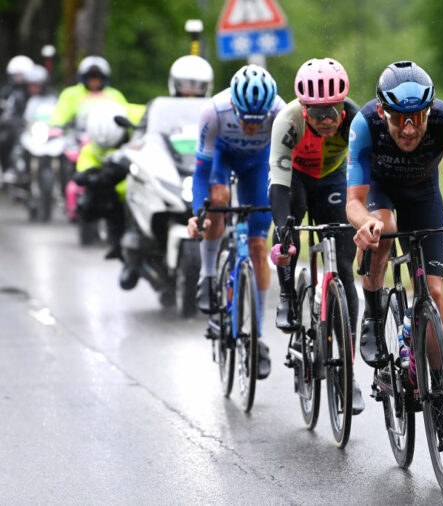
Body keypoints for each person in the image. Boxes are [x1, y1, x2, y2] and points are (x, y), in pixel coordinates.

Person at [345, 61, 443, 444]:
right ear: (383, 112)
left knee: (436, 292)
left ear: (428, 111)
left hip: (423, 196)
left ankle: (442, 400)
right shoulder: (365, 124)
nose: (409, 129)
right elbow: (354, 202)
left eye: (417, 119)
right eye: (399, 120)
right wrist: (366, 224)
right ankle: (374, 315)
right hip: (379, 193)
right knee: (386, 230)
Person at [267, 57, 364, 414]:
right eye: (317, 112)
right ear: (304, 108)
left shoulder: (356, 121)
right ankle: (289, 295)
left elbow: (369, 173)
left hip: (334, 179)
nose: (325, 120)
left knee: (343, 267)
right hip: (295, 180)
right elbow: (277, 186)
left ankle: (348, 373)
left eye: (332, 111)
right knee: (288, 239)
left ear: (343, 105)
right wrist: (283, 230)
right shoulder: (287, 121)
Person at [187, 64, 285, 380]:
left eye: (259, 121)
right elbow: (201, 172)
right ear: (234, 107)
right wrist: (197, 214)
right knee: (217, 201)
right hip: (221, 161)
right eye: (246, 120)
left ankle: (256, 336)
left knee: (258, 246)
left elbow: (285, 166)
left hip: (259, 166)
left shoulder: (280, 112)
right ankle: (208, 272)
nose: (253, 127)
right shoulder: (214, 112)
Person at [119, 54, 215, 288]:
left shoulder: (215, 109)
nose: (191, 90)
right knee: (130, 186)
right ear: (175, 83)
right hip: (170, 172)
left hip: (200, 170)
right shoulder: (158, 108)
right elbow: (141, 136)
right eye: (186, 85)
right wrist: (130, 151)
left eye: (197, 86)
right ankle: (130, 256)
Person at [74, 100, 145, 260]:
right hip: (121, 182)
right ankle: (117, 243)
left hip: (146, 167)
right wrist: (89, 176)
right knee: (98, 191)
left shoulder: (139, 114)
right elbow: (86, 163)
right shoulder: (93, 145)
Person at [49, 55, 127, 133]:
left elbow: (126, 114)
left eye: (98, 77)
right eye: (90, 77)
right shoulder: (71, 94)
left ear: (104, 79)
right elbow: (60, 115)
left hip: (108, 137)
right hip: (78, 138)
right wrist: (57, 127)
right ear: (84, 78)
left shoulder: (114, 95)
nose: (94, 81)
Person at [0, 55, 34, 176]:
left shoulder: (35, 91)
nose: (19, 79)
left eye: (22, 75)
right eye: (16, 75)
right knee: (3, 141)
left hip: (33, 129)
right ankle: (6, 170)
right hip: (13, 130)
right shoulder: (7, 92)